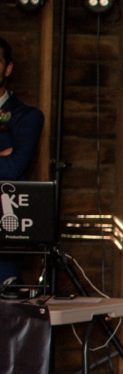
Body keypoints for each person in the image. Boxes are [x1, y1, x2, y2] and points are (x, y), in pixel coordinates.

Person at [0, 36, 45, 283]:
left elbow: (13, 167)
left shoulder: (27, 117)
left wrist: (7, 160)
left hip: (4, 232)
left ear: (8, 68)